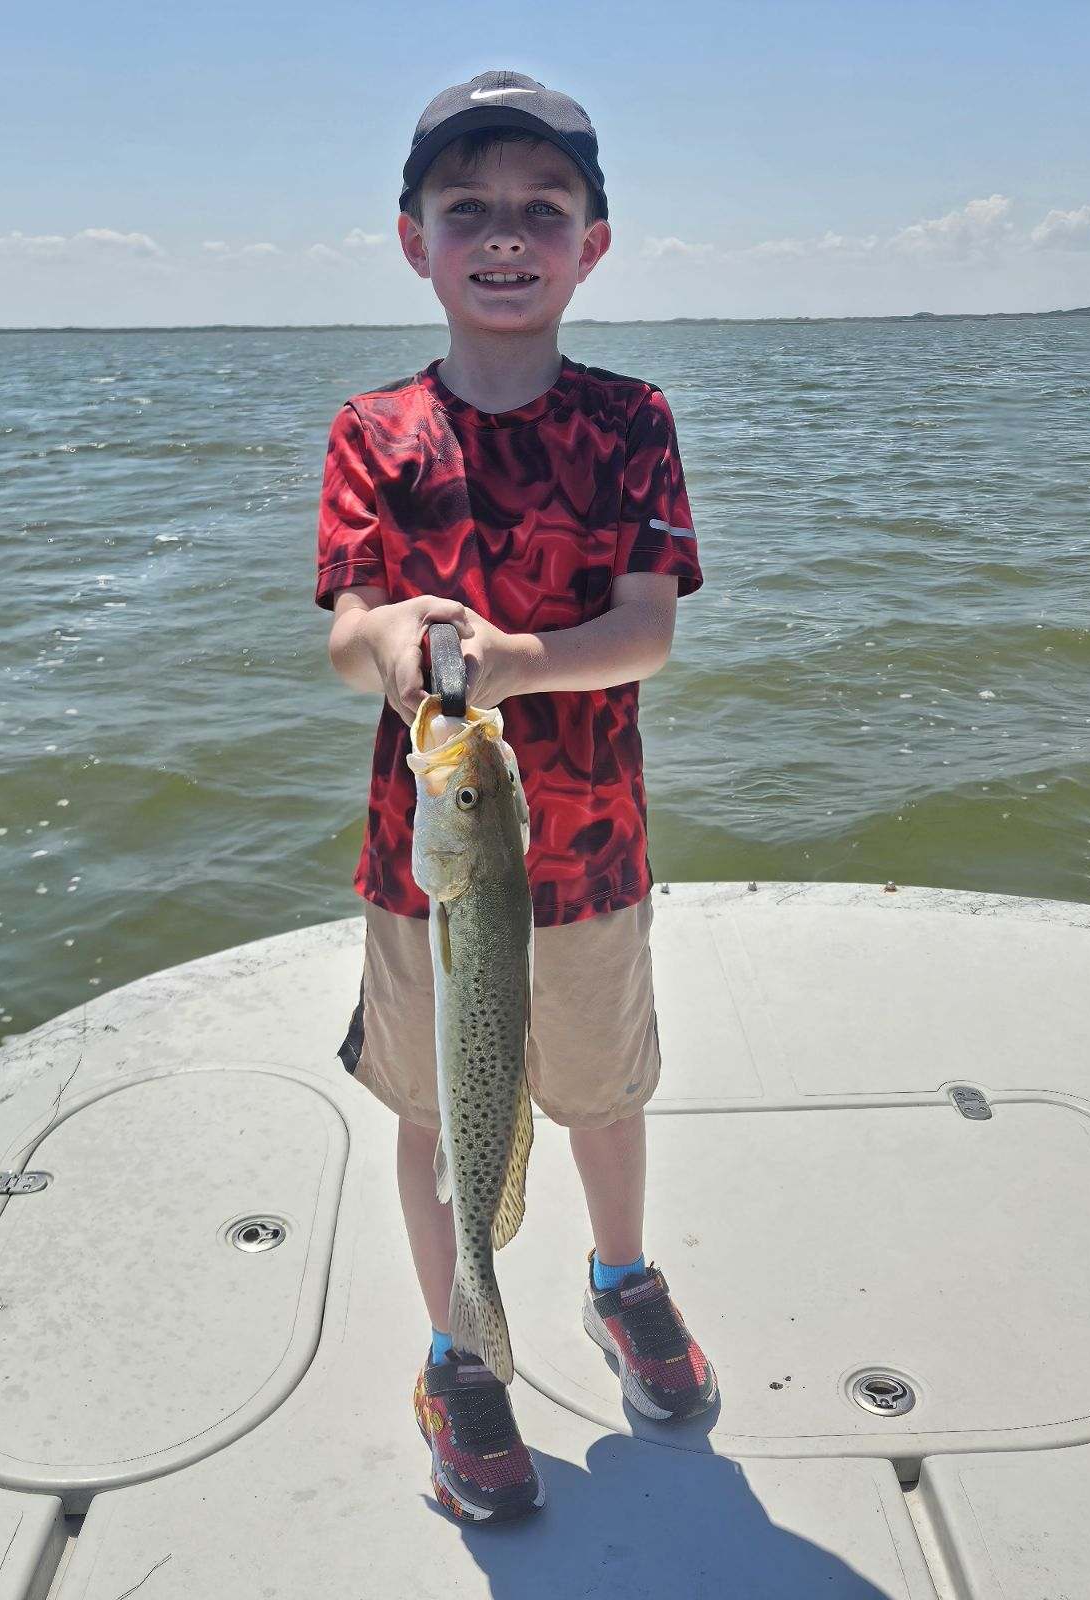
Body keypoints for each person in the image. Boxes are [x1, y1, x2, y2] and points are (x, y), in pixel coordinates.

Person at [317, 69, 717, 1523]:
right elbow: (349, 629)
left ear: (592, 244)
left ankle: (621, 1276)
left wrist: (501, 661)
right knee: (440, 1113)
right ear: (412, 236)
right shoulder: (374, 431)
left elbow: (648, 628)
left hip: (594, 851)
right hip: (427, 867)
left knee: (601, 1091)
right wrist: (401, 644)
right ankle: (458, 1354)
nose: (504, 235)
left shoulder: (632, 420)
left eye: (541, 210)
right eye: (466, 208)